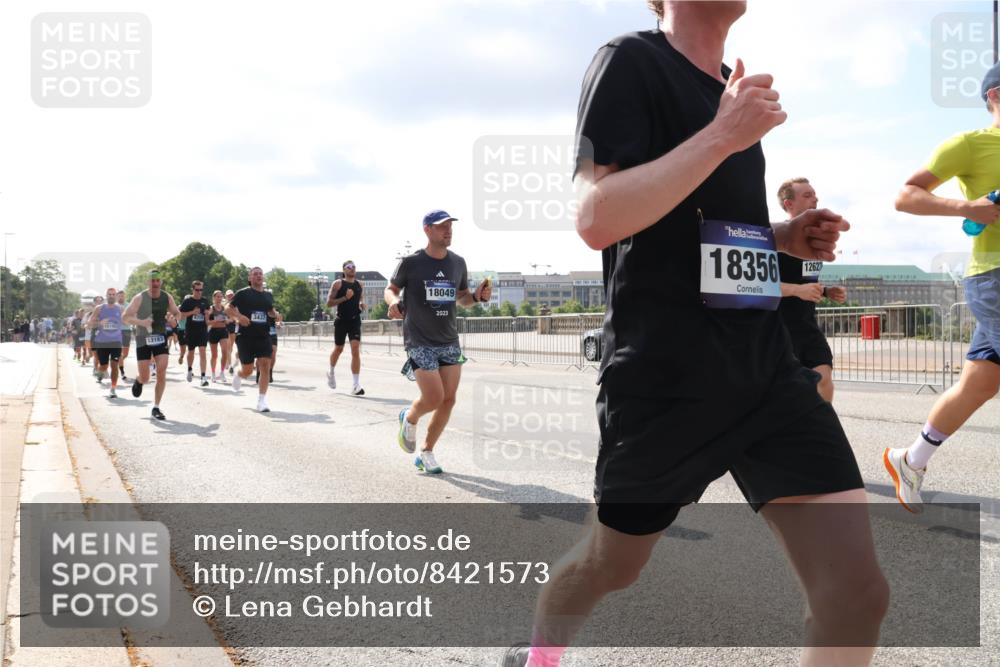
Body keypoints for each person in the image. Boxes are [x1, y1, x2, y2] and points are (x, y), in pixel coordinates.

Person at [501, 3, 887, 666]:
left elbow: (712, 231)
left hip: (768, 374)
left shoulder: (727, 96)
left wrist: (783, 237)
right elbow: (596, 216)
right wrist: (722, 134)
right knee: (609, 564)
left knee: (856, 593)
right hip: (666, 379)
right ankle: (535, 655)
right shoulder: (629, 61)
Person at [884, 61, 1000, 513]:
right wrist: (966, 206)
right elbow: (906, 195)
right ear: (995, 96)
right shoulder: (970, 144)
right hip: (994, 276)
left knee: (979, 384)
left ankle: (910, 460)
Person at [386, 210, 491, 474]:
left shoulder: (458, 263)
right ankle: (409, 417)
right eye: (441, 226)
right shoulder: (411, 262)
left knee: (449, 399)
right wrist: (393, 304)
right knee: (433, 398)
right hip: (419, 338)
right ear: (427, 230)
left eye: (450, 226)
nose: (448, 230)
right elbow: (391, 289)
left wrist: (476, 297)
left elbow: (462, 298)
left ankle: (426, 452)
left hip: (448, 339)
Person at [776, 178, 847, 402]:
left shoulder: (814, 243)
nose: (815, 198)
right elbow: (760, 286)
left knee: (823, 378)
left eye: (815, 195)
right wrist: (797, 290)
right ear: (789, 204)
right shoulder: (772, 242)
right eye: (807, 195)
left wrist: (826, 291)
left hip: (806, 325)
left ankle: (823, 431)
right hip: (778, 327)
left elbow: (804, 279)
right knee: (787, 387)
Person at [122, 268, 183, 420]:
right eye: (152, 281)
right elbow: (125, 317)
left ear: (161, 281)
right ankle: (139, 380)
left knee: (162, 371)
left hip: (160, 337)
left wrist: (174, 320)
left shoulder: (166, 297)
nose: (155, 283)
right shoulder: (139, 298)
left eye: (157, 280)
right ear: (147, 282)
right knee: (146, 377)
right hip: (143, 338)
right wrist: (141, 322)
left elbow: (177, 312)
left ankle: (156, 407)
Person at [225, 267, 279, 412]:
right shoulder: (243, 293)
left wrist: (276, 314)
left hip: (263, 336)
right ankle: (239, 374)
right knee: (248, 371)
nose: (258, 276)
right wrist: (239, 317)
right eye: (255, 274)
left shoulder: (268, 295)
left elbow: (269, 310)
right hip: (246, 337)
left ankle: (262, 401)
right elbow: (227, 309)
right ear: (250, 278)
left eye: (260, 273)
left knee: (265, 365)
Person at [326, 260, 367, 395]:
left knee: (355, 349)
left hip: (355, 320)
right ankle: (331, 372)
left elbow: (360, 298)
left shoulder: (360, 284)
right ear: (344, 270)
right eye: (349, 267)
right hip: (341, 321)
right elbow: (329, 303)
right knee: (339, 349)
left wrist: (362, 304)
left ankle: (356, 385)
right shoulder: (338, 284)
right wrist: (345, 297)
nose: (352, 269)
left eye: (354, 266)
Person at [89, 287, 124, 397]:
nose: (111, 296)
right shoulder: (99, 308)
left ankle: (113, 389)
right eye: (109, 294)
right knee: (103, 366)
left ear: (116, 296)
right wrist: (99, 322)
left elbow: (128, 319)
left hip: (116, 341)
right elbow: (90, 323)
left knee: (114, 365)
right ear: (106, 295)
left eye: (113, 294)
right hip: (102, 342)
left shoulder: (121, 309)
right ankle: (100, 372)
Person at [179, 281, 211, 387]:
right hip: (191, 330)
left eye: (201, 290)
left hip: (202, 330)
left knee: (202, 351)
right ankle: (189, 369)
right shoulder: (188, 301)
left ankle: (203, 377)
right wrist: (192, 312)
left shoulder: (205, 300)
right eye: (197, 290)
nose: (199, 292)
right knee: (191, 351)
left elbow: (209, 311)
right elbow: (181, 315)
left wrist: (208, 313)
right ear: (193, 289)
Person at [207, 290, 231, 382]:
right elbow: (207, 322)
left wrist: (227, 320)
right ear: (214, 298)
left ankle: (222, 373)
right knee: (214, 355)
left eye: (221, 296)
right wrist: (215, 321)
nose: (219, 298)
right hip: (213, 332)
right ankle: (213, 373)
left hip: (223, 331)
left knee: (225, 351)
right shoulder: (211, 309)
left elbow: (230, 319)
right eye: (217, 296)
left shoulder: (224, 308)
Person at [116, 289, 131, 382]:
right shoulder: (114, 306)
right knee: (120, 353)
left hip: (127, 330)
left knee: (125, 354)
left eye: (123, 295)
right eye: (119, 295)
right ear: (117, 296)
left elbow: (131, 316)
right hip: (117, 331)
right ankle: (122, 372)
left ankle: (117, 361)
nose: (121, 297)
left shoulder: (128, 305)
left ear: (125, 296)